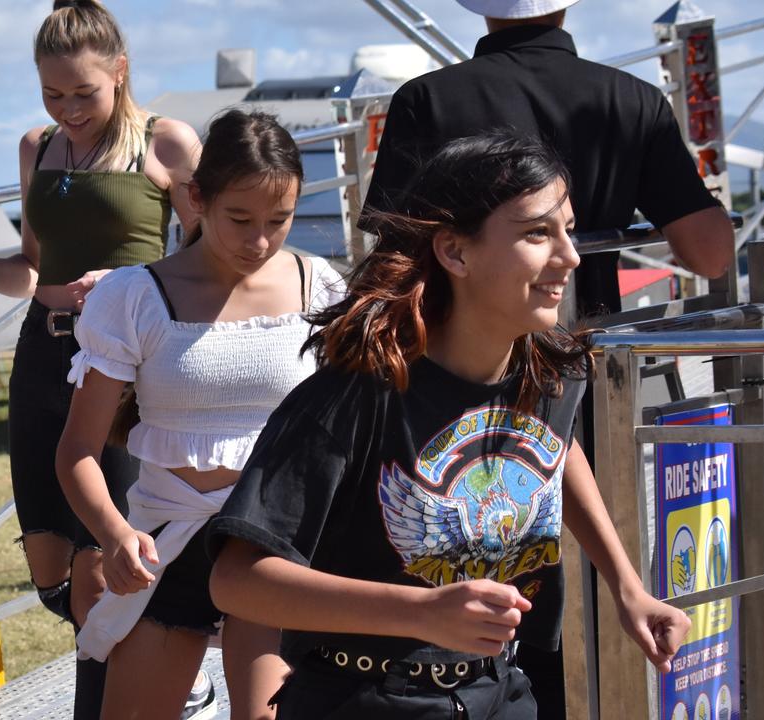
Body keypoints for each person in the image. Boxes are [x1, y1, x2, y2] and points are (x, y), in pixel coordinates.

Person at [208, 133, 691, 718]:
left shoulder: (547, 372)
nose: (570, 256)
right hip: (364, 700)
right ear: (455, 253)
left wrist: (627, 587)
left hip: (502, 690)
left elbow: (554, 453)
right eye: (539, 233)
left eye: (567, 228)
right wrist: (420, 611)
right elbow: (236, 581)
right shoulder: (352, 396)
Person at [0, 1, 201, 715]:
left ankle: (125, 695)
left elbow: (210, 261)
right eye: (53, 94)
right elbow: (34, 272)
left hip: (124, 370)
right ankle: (156, 671)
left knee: (99, 574)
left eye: (84, 93)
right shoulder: (36, 146)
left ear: (120, 72)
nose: (68, 109)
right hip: (41, 361)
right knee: (48, 571)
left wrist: (134, 284)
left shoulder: (164, 143)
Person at [56, 109, 345, 719]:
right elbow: (78, 451)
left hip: (278, 544)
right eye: (239, 219)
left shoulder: (322, 288)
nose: (259, 241)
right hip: (167, 543)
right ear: (197, 199)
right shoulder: (133, 296)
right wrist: (115, 537)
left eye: (280, 220)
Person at [365, 0, 733, 320]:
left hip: (467, 370)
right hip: (591, 356)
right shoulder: (634, 100)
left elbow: (392, 266)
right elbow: (711, 256)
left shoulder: (425, 100)